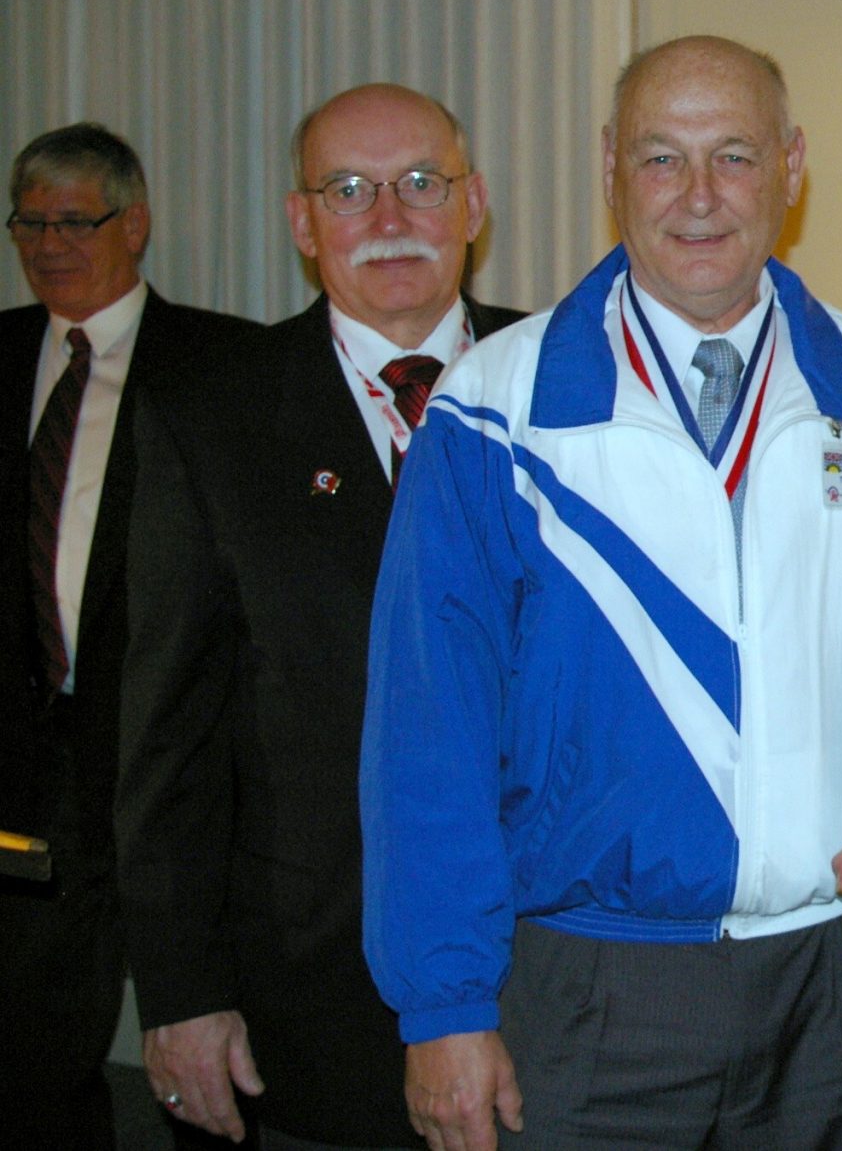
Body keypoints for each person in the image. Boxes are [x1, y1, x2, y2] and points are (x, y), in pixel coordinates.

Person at [359, 35, 842, 1151]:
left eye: (732, 156)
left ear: (791, 168)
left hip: (826, 984)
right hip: (587, 992)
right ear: (609, 167)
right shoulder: (496, 410)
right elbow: (425, 735)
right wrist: (443, 1007)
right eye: (661, 158)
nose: (698, 198)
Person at [116, 85, 524, 1149]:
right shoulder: (210, 413)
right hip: (301, 1003)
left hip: (550, 984)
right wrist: (179, 991)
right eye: (348, 191)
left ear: (473, 203)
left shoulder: (570, 386)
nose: (389, 219)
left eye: (420, 184)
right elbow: (167, 737)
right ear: (302, 224)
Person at [0, 124, 251, 1150]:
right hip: (27, 767)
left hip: (171, 756)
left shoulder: (224, 362)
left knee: (203, 1037)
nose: (49, 242)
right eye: (29, 221)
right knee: (30, 1040)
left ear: (134, 223)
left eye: (75, 219)